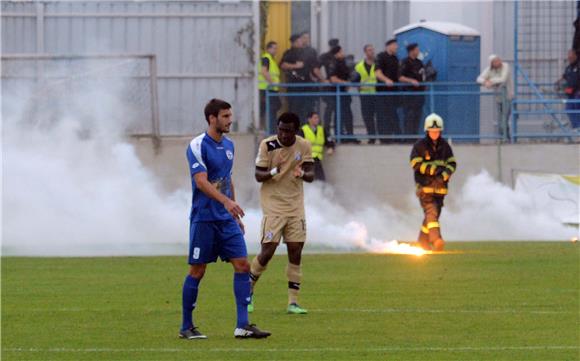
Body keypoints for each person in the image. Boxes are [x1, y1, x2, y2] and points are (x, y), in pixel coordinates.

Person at [180, 99, 271, 339]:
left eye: (230, 116)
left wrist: (233, 210)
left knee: (242, 265)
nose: (230, 120)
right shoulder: (198, 145)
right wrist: (226, 202)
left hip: (225, 219)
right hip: (205, 219)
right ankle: (186, 327)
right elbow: (201, 181)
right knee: (197, 270)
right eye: (225, 116)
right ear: (212, 118)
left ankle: (243, 325)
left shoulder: (229, 145)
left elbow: (227, 178)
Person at [250, 112, 315, 314]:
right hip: (273, 206)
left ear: (295, 130)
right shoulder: (268, 145)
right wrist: (273, 171)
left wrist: (302, 174)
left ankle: (293, 302)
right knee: (268, 251)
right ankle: (247, 293)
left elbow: (312, 174)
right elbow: (258, 176)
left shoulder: (304, 145)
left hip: (295, 206)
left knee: (295, 251)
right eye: (281, 130)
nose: (284, 134)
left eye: (288, 131)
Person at [409, 113, 457, 252]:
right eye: (432, 131)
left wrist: (446, 173)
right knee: (431, 213)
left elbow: (452, 163)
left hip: (440, 189)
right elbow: (415, 164)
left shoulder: (445, 146)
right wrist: (433, 170)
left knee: (432, 218)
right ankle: (436, 240)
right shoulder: (419, 146)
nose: (435, 134)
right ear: (427, 131)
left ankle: (421, 243)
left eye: (437, 131)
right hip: (425, 188)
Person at [477, 54, 513, 137]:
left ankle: (505, 137)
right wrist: (485, 82)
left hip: (508, 96)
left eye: (498, 60)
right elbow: (479, 78)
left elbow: (503, 79)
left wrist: (490, 81)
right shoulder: (490, 70)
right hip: (498, 97)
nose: (498, 62)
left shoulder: (505, 66)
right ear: (492, 63)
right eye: (495, 61)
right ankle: (502, 137)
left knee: (504, 118)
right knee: (501, 118)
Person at [375, 39, 402, 143]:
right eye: (395, 45)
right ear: (389, 46)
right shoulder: (381, 57)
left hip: (393, 92)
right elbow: (377, 73)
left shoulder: (395, 59)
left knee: (393, 114)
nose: (396, 47)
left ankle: (396, 137)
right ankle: (384, 138)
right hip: (383, 92)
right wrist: (386, 80)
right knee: (383, 115)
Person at [328, 46, 357, 143]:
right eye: (341, 51)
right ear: (337, 53)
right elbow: (333, 78)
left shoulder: (343, 62)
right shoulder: (333, 63)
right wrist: (345, 83)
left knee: (348, 115)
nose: (343, 53)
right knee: (339, 115)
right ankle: (339, 136)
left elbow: (348, 75)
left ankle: (350, 136)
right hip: (336, 94)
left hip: (344, 93)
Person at [298, 111, 335, 181]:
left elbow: (329, 140)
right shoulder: (303, 130)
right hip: (307, 160)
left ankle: (321, 191)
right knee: (310, 178)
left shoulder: (321, 129)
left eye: (318, 118)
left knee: (320, 179)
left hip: (317, 159)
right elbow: (298, 145)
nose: (317, 119)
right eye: (315, 118)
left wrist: (331, 147)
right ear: (309, 119)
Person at [400, 43, 426, 139]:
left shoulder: (419, 62)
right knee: (409, 115)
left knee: (417, 115)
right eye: (417, 49)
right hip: (409, 93)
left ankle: (414, 136)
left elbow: (423, 75)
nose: (418, 51)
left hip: (419, 93)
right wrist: (411, 81)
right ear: (412, 51)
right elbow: (400, 77)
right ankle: (408, 137)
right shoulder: (405, 62)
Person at [355, 44, 378, 143]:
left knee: (379, 116)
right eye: (369, 50)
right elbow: (355, 80)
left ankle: (381, 136)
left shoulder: (378, 64)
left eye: (372, 50)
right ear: (365, 52)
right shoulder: (359, 66)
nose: (371, 52)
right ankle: (371, 137)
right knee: (367, 116)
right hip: (364, 94)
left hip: (376, 94)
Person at [258, 41, 282, 133]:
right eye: (274, 48)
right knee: (271, 109)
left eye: (276, 48)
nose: (276, 50)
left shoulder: (271, 59)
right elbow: (264, 71)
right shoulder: (266, 58)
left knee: (274, 108)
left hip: (271, 89)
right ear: (268, 49)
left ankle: (268, 129)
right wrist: (272, 83)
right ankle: (269, 130)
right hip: (267, 89)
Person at [319, 38, 340, 132]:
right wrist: (323, 80)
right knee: (330, 107)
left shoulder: (339, 55)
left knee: (338, 109)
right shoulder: (325, 56)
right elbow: (315, 69)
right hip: (328, 88)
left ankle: (338, 131)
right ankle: (326, 131)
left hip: (338, 87)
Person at [559, 49, 580, 128]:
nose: (569, 58)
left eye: (571, 56)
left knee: (577, 108)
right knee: (569, 109)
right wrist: (558, 81)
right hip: (570, 91)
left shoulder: (578, 66)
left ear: (575, 56)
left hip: (577, 92)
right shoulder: (568, 68)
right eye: (569, 57)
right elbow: (564, 76)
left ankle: (578, 128)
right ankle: (576, 127)